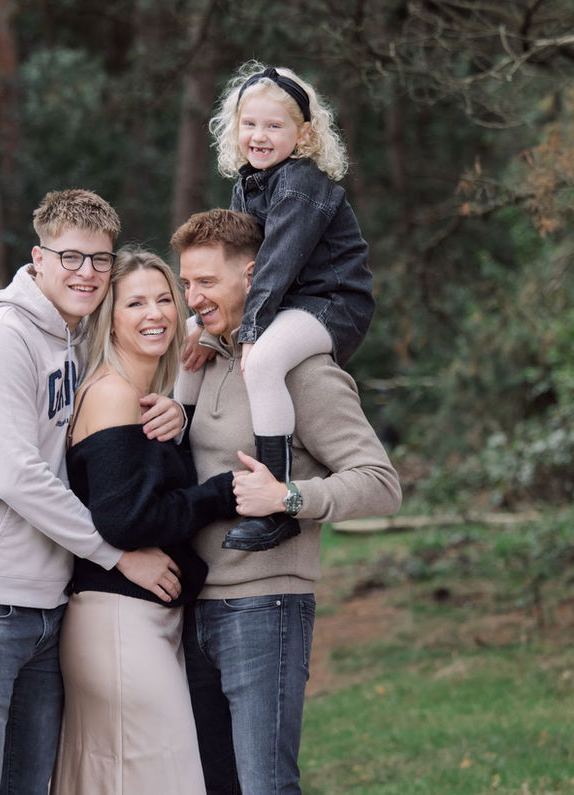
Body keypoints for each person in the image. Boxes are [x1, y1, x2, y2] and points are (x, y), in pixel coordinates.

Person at [0, 189, 187, 795]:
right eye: (70, 258)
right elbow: (19, 478)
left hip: (48, 602)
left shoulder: (75, 338)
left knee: (28, 786)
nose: (86, 273)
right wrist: (118, 556)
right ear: (37, 259)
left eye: (99, 260)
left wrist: (174, 408)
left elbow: (157, 329)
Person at [172, 208, 401, 794]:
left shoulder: (301, 371)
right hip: (192, 607)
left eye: (205, 282)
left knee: (265, 784)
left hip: (265, 608)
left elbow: (380, 481)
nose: (191, 297)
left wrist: (289, 495)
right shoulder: (203, 360)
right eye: (186, 282)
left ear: (253, 277)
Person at [50, 247, 248, 794]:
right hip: (118, 625)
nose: (155, 313)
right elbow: (127, 521)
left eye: (165, 298)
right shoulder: (112, 394)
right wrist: (220, 494)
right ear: (108, 315)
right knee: (168, 776)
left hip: (145, 622)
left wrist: (181, 415)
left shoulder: (147, 399)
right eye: (135, 302)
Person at [175, 61, 376, 553]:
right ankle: (174, 452)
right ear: (234, 127)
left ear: (303, 134)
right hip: (286, 302)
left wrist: (247, 332)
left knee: (262, 360)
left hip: (330, 304)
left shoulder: (301, 184)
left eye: (274, 126)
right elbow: (239, 264)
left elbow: (277, 264)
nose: (259, 136)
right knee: (186, 329)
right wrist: (202, 326)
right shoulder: (249, 184)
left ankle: (275, 498)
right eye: (250, 124)